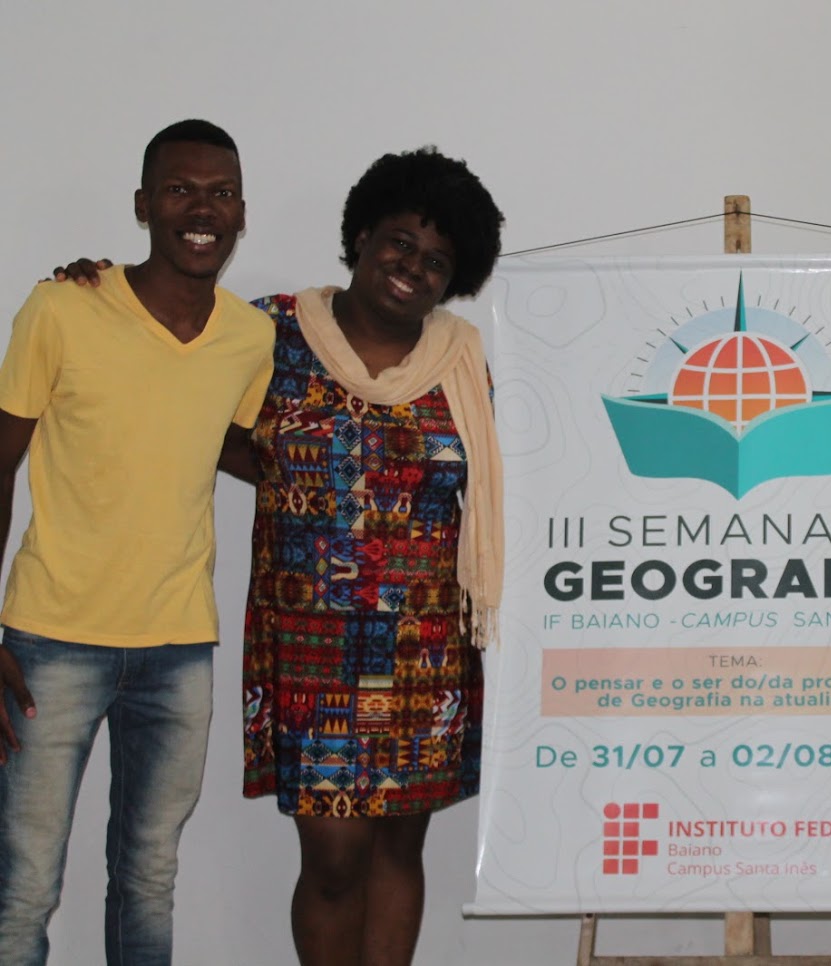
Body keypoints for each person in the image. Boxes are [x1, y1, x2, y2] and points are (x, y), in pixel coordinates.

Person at [56, 146, 505, 966]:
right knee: (332, 860)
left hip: (426, 648)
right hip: (310, 643)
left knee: (399, 849)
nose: (412, 267)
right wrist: (96, 287)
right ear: (362, 235)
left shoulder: (462, 362)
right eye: (400, 242)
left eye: (437, 261)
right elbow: (181, 386)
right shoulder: (271, 332)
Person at [0, 120, 275, 966]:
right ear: (143, 205)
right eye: (180, 190)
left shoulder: (249, 337)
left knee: (149, 877)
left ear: (241, 213)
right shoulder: (62, 308)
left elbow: (226, 442)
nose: (203, 210)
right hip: (50, 640)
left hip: (179, 646)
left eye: (221, 193)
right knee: (23, 888)